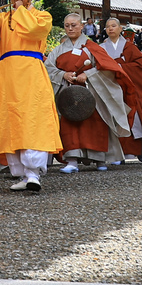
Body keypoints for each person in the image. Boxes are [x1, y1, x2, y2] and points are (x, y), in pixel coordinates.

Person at [0, 0, 61, 191]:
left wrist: (19, 12)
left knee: (31, 119)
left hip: (31, 71)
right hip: (7, 72)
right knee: (10, 120)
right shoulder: (4, 18)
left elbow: (35, 31)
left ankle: (34, 172)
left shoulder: (42, 16)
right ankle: (22, 174)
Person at [46, 13, 129, 174]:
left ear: (82, 26)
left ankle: (99, 159)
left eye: (74, 25)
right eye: (67, 25)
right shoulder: (58, 50)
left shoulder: (92, 46)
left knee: (95, 124)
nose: (70, 28)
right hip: (68, 94)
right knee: (70, 125)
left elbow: (106, 66)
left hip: (91, 92)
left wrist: (88, 75)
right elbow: (48, 68)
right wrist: (63, 75)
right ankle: (72, 160)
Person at [103, 18, 142, 162]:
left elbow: (141, 68)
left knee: (136, 117)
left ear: (120, 29)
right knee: (114, 117)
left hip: (130, 87)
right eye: (108, 27)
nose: (110, 29)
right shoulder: (101, 48)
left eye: (114, 26)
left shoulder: (129, 47)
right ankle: (117, 153)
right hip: (111, 86)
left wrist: (120, 67)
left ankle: (139, 150)